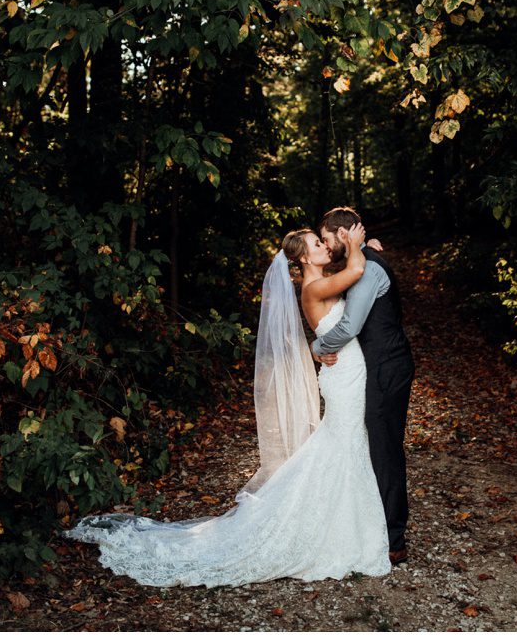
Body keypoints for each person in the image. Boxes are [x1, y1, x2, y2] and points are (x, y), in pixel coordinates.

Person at [62, 223, 391, 587]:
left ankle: (341, 526)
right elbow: (357, 269)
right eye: (317, 243)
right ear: (301, 257)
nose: (325, 247)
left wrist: (367, 246)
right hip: (343, 377)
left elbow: (351, 271)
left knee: (343, 445)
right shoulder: (314, 288)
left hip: (347, 372)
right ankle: (333, 533)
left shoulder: (325, 278)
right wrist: (359, 245)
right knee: (343, 444)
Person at [311, 207, 415, 566]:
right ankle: (376, 524)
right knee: (375, 445)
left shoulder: (368, 268)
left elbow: (350, 326)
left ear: (343, 236)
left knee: (386, 450)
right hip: (381, 367)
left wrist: (317, 347)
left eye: (326, 239)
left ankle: (393, 540)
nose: (326, 245)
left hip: (387, 367)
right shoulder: (363, 261)